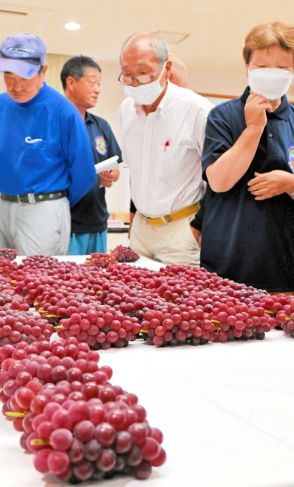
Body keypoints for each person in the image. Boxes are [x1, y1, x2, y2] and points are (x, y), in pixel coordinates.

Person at [201, 21, 294, 292]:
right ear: (247, 67)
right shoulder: (223, 116)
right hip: (227, 266)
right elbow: (218, 181)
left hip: (284, 268)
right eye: (263, 67)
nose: (272, 74)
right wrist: (254, 127)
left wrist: (290, 183)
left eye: (282, 68)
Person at [119, 31, 213, 264]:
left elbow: (219, 181)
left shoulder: (197, 111)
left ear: (166, 68)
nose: (134, 83)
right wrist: (133, 220)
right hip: (141, 229)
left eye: (142, 74)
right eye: (127, 75)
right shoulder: (126, 110)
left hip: (180, 231)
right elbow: (138, 174)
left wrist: (198, 227)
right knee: (131, 297)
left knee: (178, 299)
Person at [0, 33, 96, 256]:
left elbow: (84, 175)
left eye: (24, 77)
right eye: (8, 77)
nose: (15, 86)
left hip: (43, 210)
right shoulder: (2, 106)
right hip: (3, 206)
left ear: (43, 71)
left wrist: (52, 202)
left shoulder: (63, 112)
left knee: (37, 283)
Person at [61, 55, 121, 255]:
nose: (98, 89)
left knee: (96, 283)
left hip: (97, 223)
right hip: (64, 224)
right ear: (71, 82)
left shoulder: (100, 125)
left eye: (99, 84)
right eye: (92, 82)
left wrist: (111, 175)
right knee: (64, 284)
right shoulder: (54, 122)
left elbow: (114, 165)